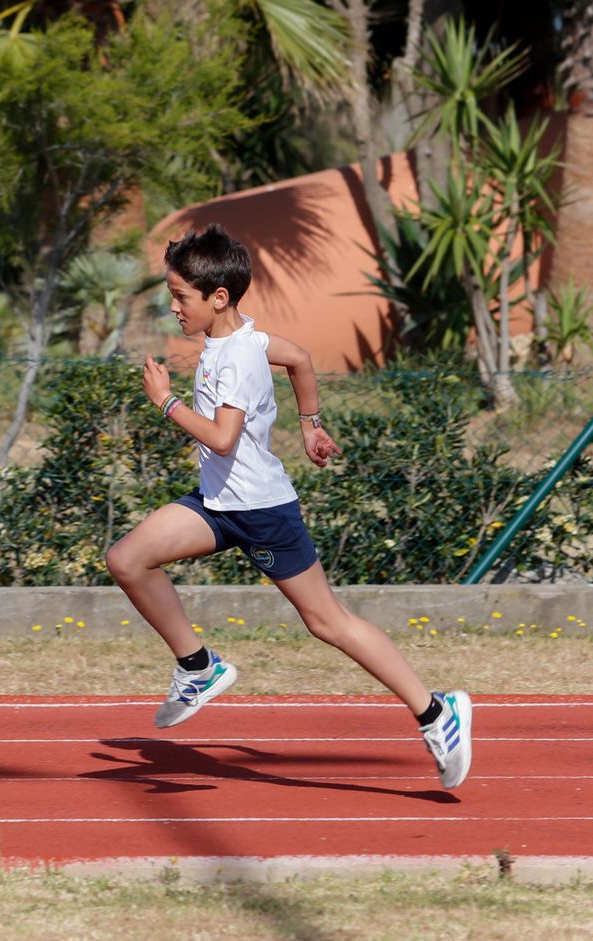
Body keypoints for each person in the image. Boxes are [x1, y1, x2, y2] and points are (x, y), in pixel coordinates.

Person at [104, 224, 472, 789]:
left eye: (181, 296)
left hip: (261, 512)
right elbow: (299, 358)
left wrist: (166, 402)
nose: (173, 307)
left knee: (328, 622)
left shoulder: (235, 360)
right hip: (218, 503)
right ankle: (198, 668)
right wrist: (310, 424)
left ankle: (435, 712)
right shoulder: (243, 339)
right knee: (128, 558)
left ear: (218, 298)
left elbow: (223, 438)